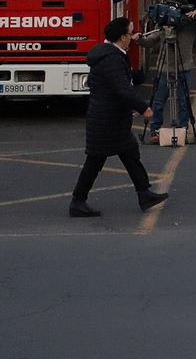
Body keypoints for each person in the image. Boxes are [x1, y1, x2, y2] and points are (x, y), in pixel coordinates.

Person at [70, 17, 167, 217]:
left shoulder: (110, 54)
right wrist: (142, 107)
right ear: (123, 37)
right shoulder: (111, 58)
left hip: (111, 118)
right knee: (95, 161)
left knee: (130, 153)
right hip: (106, 120)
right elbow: (122, 88)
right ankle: (78, 201)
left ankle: (144, 194)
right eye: (131, 33)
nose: (133, 36)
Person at [142, 0, 196, 141]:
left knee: (183, 101)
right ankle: (155, 131)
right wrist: (138, 39)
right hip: (164, 68)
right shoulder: (164, 25)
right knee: (158, 101)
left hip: (183, 67)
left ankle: (182, 130)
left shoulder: (190, 26)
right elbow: (149, 42)